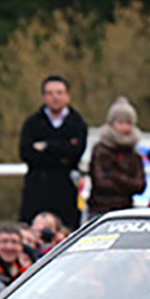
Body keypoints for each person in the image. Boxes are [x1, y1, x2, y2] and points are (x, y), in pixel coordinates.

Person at [18, 74, 89, 229]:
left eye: (59, 93)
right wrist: (61, 151)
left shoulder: (77, 123)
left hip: (65, 191)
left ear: (68, 95)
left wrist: (47, 146)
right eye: (50, 93)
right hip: (37, 190)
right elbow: (26, 153)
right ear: (43, 96)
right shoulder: (32, 123)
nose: (55, 97)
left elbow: (75, 153)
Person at [87, 97, 147, 219]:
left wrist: (114, 176)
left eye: (128, 123)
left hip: (125, 212)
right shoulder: (100, 150)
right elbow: (101, 183)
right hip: (100, 210)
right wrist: (127, 183)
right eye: (120, 123)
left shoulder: (135, 155)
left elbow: (140, 186)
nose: (124, 127)